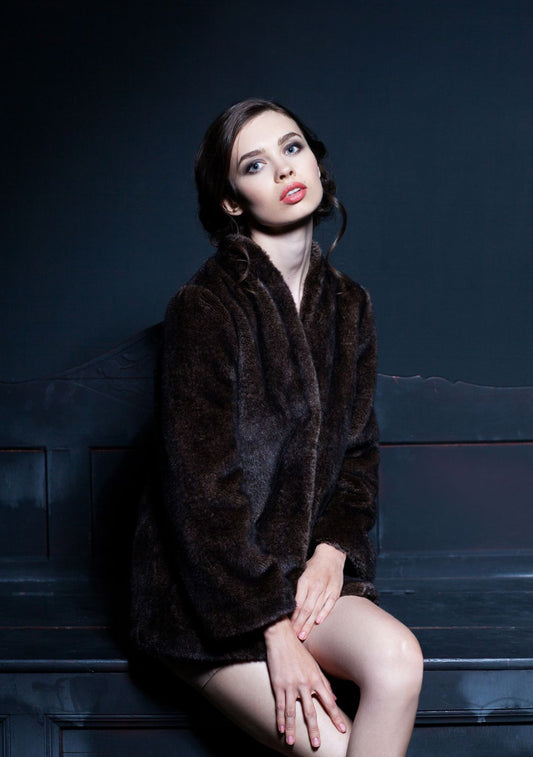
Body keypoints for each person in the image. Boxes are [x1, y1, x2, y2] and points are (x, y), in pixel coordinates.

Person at [130, 98, 423, 757]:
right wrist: (273, 631)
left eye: (292, 148)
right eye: (254, 164)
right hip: (210, 601)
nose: (285, 169)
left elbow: (358, 452)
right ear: (231, 200)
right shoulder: (204, 307)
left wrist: (332, 550)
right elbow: (200, 494)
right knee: (333, 748)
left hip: (302, 575)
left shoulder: (348, 304)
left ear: (316, 162)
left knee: (400, 659)